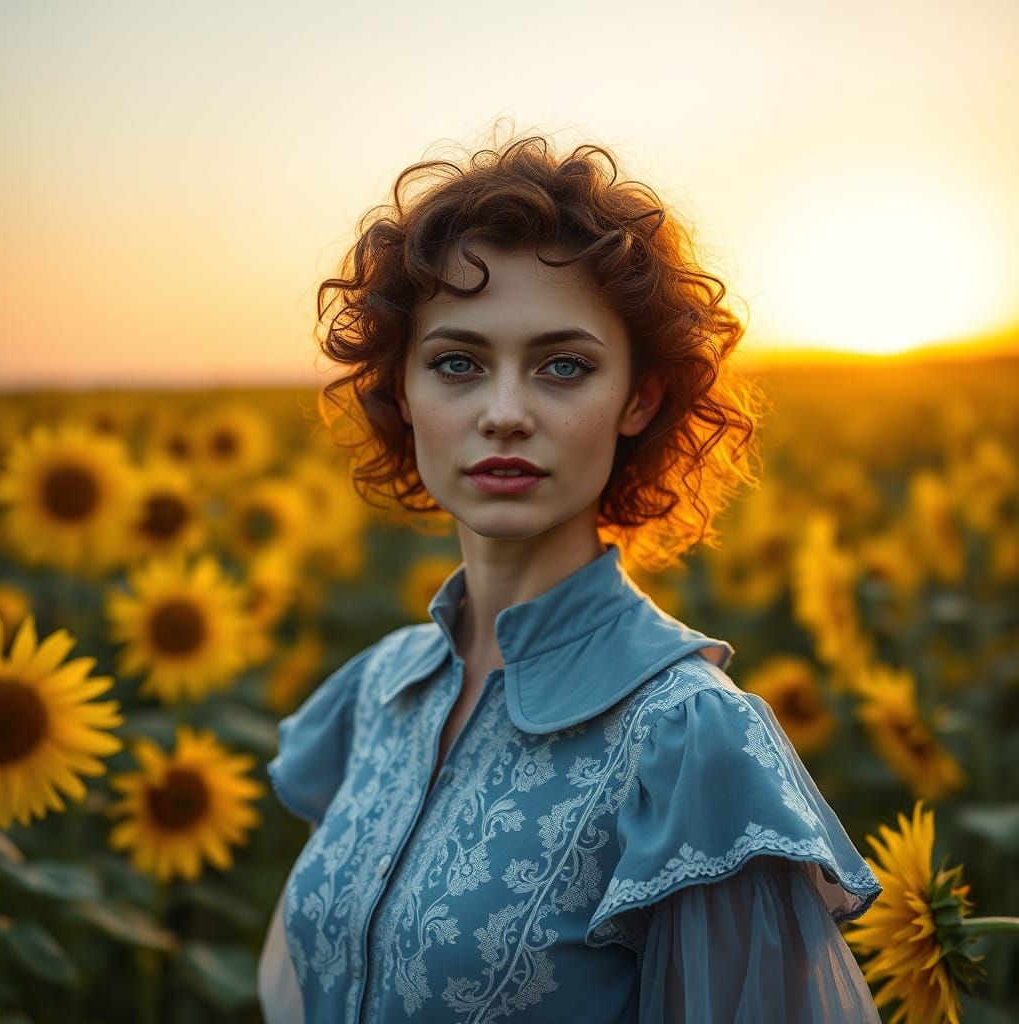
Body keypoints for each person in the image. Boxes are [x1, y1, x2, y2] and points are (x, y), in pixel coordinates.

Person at [257, 128, 883, 1023]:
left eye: (563, 366)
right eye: (458, 364)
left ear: (639, 398)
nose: (504, 414)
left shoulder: (689, 740)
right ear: (401, 393)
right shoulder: (378, 688)